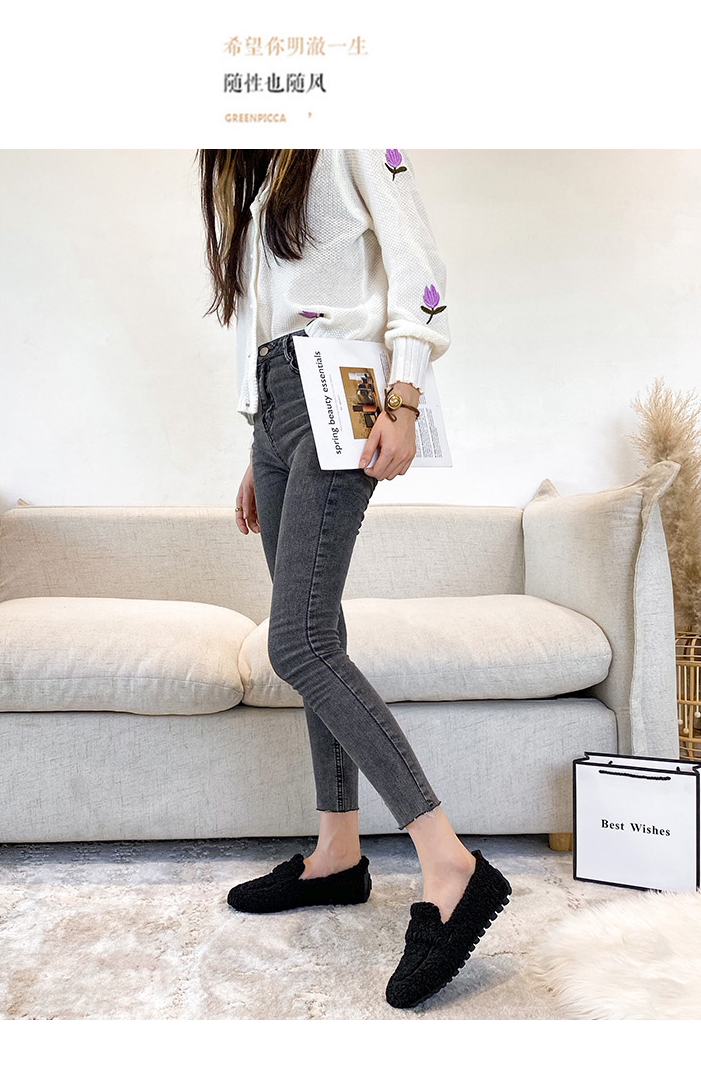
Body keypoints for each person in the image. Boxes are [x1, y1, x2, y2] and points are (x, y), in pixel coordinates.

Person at [196, 149, 511, 1009]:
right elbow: (268, 314)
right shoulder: (255, 170)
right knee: (318, 634)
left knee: (296, 642)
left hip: (346, 388)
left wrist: (405, 397)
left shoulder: (346, 131)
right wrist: (261, 447)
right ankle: (338, 854)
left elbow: (419, 266)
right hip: (276, 406)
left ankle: (449, 863)